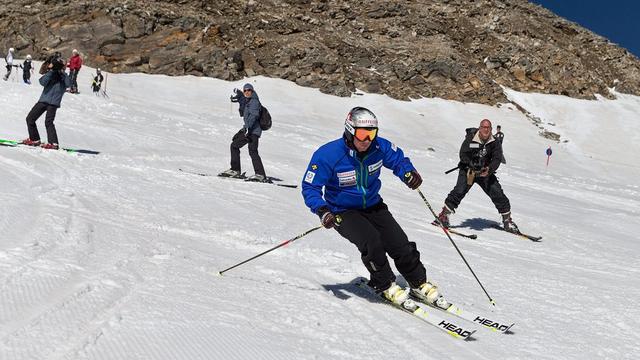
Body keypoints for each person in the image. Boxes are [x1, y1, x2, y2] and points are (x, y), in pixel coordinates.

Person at [301, 106, 449, 308]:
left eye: (371, 134)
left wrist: (408, 173)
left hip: (373, 205)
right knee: (372, 242)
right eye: (362, 134)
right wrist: (322, 210)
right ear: (350, 130)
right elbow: (310, 187)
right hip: (341, 211)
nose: (367, 140)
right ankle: (385, 284)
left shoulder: (379, 147)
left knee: (400, 243)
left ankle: (418, 283)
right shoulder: (328, 155)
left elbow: (399, 160)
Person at [437, 119, 519, 232]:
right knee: (459, 191)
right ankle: (444, 216)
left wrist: (489, 169)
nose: (485, 129)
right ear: (479, 128)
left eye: (488, 127)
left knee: (497, 193)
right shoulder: (471, 138)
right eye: (483, 127)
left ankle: (507, 220)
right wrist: (470, 163)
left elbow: (497, 158)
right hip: (468, 171)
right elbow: (463, 154)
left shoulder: (495, 142)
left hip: (485, 172)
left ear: (491, 129)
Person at [21, 53, 71, 150]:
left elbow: (69, 84)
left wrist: (62, 73)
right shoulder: (51, 73)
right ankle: (34, 139)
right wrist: (52, 71)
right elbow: (42, 82)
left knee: (48, 122)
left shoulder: (64, 77)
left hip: (53, 103)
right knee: (30, 118)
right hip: (44, 100)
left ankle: (53, 143)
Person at [219, 83, 267, 181]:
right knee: (235, 145)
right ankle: (236, 170)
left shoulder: (254, 101)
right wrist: (243, 129)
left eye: (249, 90)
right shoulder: (248, 101)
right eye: (245, 90)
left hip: (253, 131)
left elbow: (254, 116)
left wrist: (248, 129)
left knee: (252, 151)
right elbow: (246, 116)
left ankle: (260, 174)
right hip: (248, 130)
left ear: (252, 91)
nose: (247, 92)